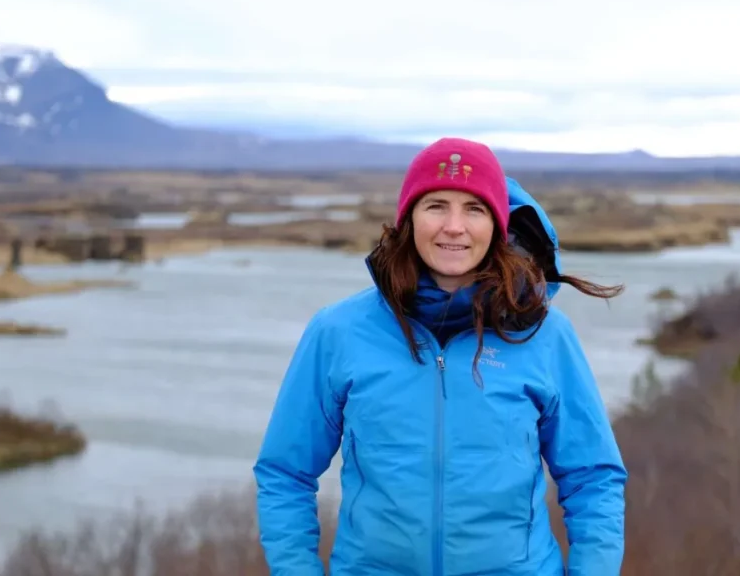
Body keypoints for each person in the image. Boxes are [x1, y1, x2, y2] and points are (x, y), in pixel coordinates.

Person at [254, 137, 628, 575]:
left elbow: (593, 478)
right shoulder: (338, 332)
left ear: (497, 224)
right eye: (436, 205)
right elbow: (285, 473)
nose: (455, 226)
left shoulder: (545, 335)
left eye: (475, 208)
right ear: (409, 218)